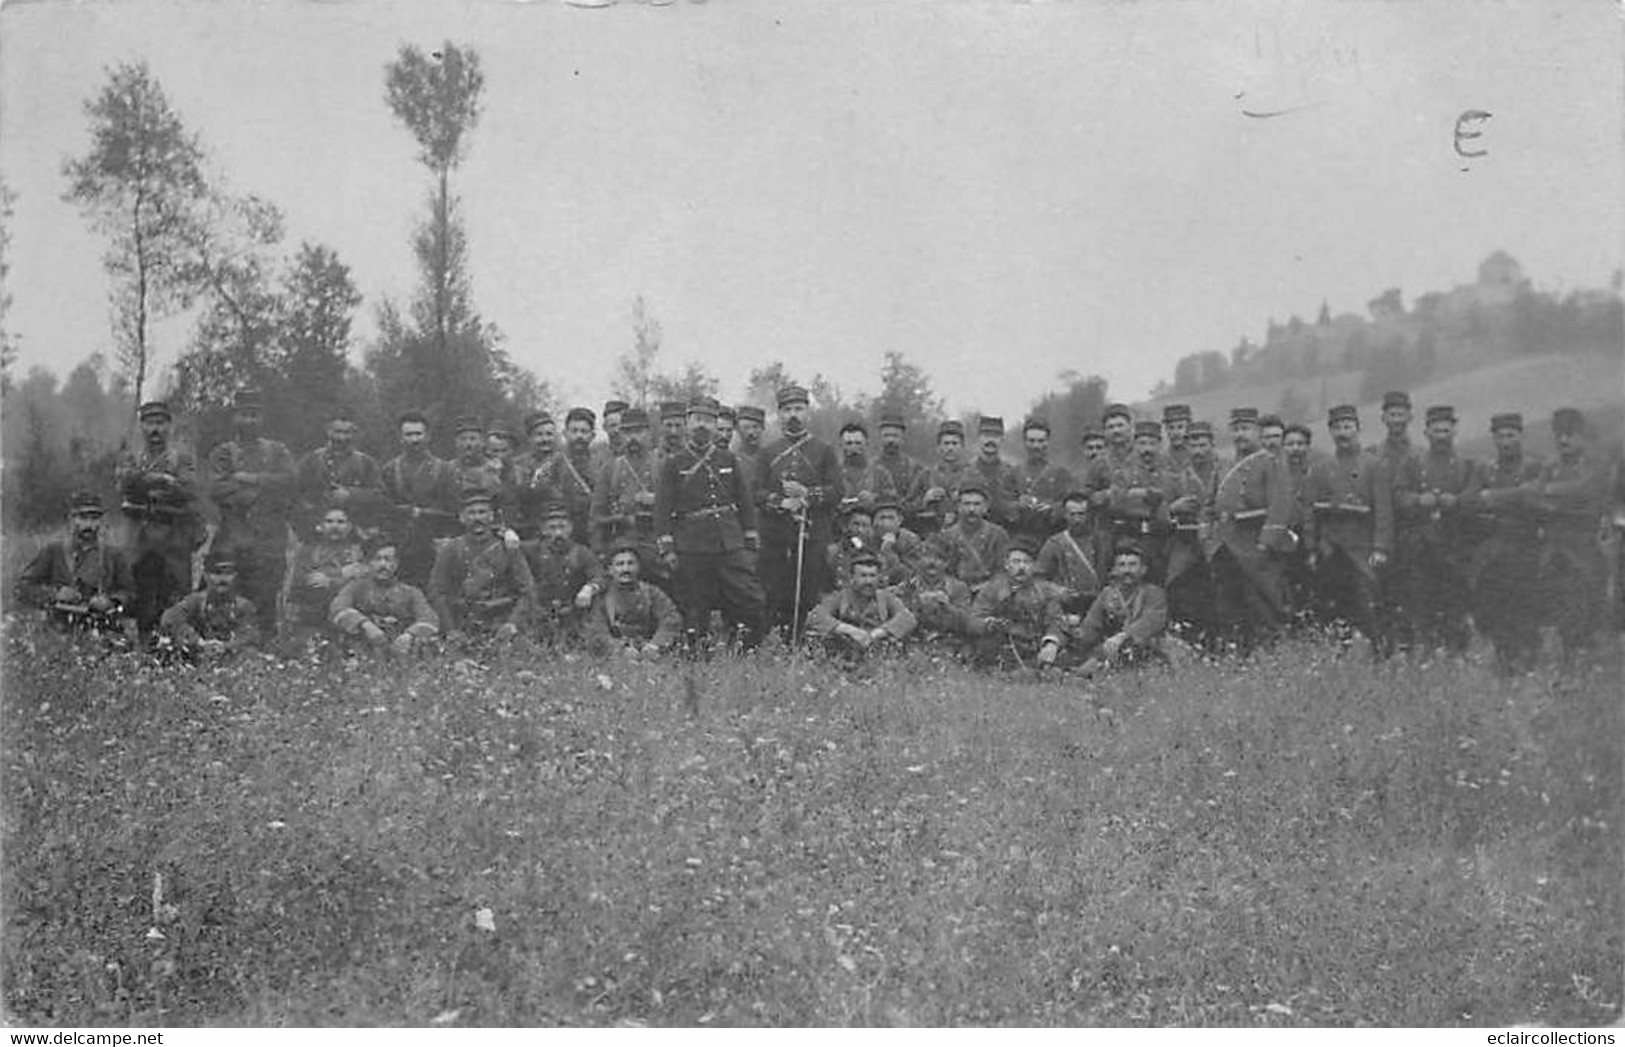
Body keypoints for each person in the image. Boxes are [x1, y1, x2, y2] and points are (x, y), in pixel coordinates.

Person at [653, 396, 767, 648]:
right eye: (696, 420)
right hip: (691, 544)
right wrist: (667, 548)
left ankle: (746, 648)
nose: (702, 426)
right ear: (687, 424)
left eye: (708, 420)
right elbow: (661, 510)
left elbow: (745, 503)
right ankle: (695, 653)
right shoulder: (674, 464)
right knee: (694, 604)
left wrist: (749, 538)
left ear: (716, 425)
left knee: (749, 598)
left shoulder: (728, 460)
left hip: (728, 542)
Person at [207, 388, 297, 637]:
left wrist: (252, 479)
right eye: (244, 415)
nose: (249, 421)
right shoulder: (223, 452)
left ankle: (265, 647)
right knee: (228, 591)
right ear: (234, 418)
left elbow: (290, 481)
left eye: (254, 415)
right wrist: (261, 492)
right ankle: (227, 644)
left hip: (270, 538)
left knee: (267, 593)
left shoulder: (277, 451)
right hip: (233, 536)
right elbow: (217, 489)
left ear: (262, 418)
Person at [1392, 405, 1480, 656]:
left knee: (1455, 601)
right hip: (1421, 546)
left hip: (1455, 545)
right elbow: (1398, 494)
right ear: (1426, 433)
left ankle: (1456, 652)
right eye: (1436, 430)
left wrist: (1458, 501)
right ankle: (1426, 650)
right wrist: (1418, 500)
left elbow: (1475, 495)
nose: (1441, 436)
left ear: (1454, 432)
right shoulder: (1413, 462)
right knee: (1420, 600)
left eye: (1446, 430)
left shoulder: (1466, 465)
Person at [1303, 405, 1393, 648]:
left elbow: (1384, 511)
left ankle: (1380, 653)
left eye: (1348, 427)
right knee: (1333, 605)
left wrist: (1381, 548)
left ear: (1357, 429)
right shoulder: (1322, 468)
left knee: (1369, 602)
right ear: (1330, 432)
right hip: (1331, 548)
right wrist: (1312, 548)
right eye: (1338, 428)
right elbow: (1310, 512)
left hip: (1362, 549)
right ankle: (1339, 654)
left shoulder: (1374, 465)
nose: (1343, 433)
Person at [1206, 407, 1295, 652]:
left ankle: (1271, 657)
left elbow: (1280, 506)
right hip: (1225, 545)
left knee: (1264, 606)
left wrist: (1265, 543)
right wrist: (1208, 542)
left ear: (1257, 431)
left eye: (1245, 429)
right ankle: (1236, 655)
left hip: (1255, 545)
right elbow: (1208, 505)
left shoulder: (1270, 462)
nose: (1240, 435)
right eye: (1235, 429)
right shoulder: (1222, 465)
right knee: (1229, 606)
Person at [1461, 412, 1543, 673]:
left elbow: (1535, 497)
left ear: (1521, 436)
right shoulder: (1485, 468)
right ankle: (1504, 658)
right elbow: (1468, 502)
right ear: (1494, 438)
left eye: (1511, 435)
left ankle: (1529, 658)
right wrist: (1513, 498)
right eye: (1501, 436)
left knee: (1526, 606)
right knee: (1494, 605)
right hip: (1495, 547)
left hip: (1527, 546)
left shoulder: (1534, 466)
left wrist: (1493, 497)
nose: (1506, 441)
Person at [756, 385, 842, 634]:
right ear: (779, 415)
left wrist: (807, 496)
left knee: (809, 588)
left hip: (812, 534)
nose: (793, 415)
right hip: (775, 536)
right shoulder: (768, 452)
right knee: (774, 589)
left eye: (799, 409)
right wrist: (780, 502)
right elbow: (754, 492)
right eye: (787, 410)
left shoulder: (824, 451)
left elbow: (837, 491)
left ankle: (806, 639)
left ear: (808, 413)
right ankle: (774, 641)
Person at [114, 400, 202, 636]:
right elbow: (124, 483)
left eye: (161, 423)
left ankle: (175, 642)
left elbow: (189, 488)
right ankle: (139, 641)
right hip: (138, 534)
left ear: (169, 426)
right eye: (150, 423)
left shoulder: (181, 458)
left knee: (175, 590)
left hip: (172, 535)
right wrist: (162, 480)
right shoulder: (131, 456)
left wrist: (144, 482)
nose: (155, 429)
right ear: (141, 426)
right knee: (134, 588)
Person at [1535, 407, 1610, 665]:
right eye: (1559, 434)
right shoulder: (1550, 464)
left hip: (1584, 545)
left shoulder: (1594, 462)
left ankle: (1587, 651)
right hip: (1554, 546)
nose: (1563, 440)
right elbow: (1534, 498)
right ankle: (1567, 656)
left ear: (1581, 435)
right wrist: (1555, 498)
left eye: (1569, 434)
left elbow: (1586, 491)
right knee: (1557, 602)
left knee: (1587, 596)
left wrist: (1551, 494)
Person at [15, 491, 138, 640]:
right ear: (72, 519)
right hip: (59, 632)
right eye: (83, 518)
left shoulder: (113, 556)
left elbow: (130, 593)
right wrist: (55, 594)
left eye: (94, 518)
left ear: (101, 521)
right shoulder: (53, 551)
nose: (89, 524)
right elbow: (23, 588)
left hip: (102, 632)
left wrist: (112, 601)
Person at [428, 491, 536, 646]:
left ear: (491, 517)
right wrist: (450, 629)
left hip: (500, 622)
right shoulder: (451, 549)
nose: (477, 518)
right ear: (462, 518)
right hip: (463, 623)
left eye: (482, 512)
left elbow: (527, 590)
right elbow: (436, 591)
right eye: (471, 513)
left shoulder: (507, 547)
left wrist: (512, 624)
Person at [381, 410, 458, 589]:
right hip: (399, 545)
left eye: (418, 434)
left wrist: (422, 514)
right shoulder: (390, 469)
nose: (414, 439)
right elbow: (382, 508)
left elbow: (454, 511)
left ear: (428, 436)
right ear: (400, 438)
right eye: (409, 434)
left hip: (434, 544)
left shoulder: (444, 470)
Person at [1368, 390, 1419, 656]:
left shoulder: (1419, 454)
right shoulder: (1374, 454)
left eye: (1401, 414)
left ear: (1410, 417)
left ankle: (1410, 646)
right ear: (1383, 418)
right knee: (1381, 592)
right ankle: (1383, 648)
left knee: (1411, 591)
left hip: (1412, 533)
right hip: (1378, 534)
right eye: (1391, 414)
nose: (1396, 420)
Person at [590, 407, 665, 586]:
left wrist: (657, 501)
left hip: (657, 547)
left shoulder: (663, 465)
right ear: (621, 435)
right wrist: (600, 550)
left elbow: (680, 508)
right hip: (622, 547)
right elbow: (596, 515)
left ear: (648, 433)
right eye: (628, 432)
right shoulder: (610, 469)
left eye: (639, 431)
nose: (633, 438)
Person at [965, 538, 1066, 670]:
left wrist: (1051, 643)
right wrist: (988, 623)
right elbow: (975, 617)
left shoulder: (1045, 591)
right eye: (1016, 562)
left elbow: (1055, 620)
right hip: (1002, 646)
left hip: (1036, 647)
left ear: (1034, 566)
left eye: (1027, 562)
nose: (1022, 567)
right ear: (1006, 565)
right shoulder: (992, 589)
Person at [330, 540, 441, 656]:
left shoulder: (411, 592)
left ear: (396, 564)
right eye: (377, 559)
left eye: (388, 560)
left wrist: (409, 635)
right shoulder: (355, 587)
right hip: (363, 650)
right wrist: (365, 625)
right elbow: (337, 608)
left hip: (402, 651)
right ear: (369, 563)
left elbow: (429, 618)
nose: (383, 565)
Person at [1076, 543, 1169, 676]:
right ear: (1115, 569)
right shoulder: (1107, 594)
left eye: (1132, 565)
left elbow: (1152, 620)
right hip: (1111, 650)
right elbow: (1091, 625)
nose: (1127, 570)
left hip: (1148, 651)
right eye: (1122, 565)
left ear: (1143, 569)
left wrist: (1123, 636)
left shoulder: (1154, 593)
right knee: (1081, 672)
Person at [806, 549, 917, 661]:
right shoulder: (840, 597)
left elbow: (907, 618)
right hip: (843, 656)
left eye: (872, 576)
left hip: (878, 657)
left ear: (878, 577)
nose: (868, 581)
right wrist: (851, 631)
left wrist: (876, 634)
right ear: (852, 578)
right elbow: (815, 616)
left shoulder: (886, 598)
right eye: (863, 576)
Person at [294, 406, 385, 538]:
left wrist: (351, 495)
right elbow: (295, 495)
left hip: (355, 535)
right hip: (317, 534)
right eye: (337, 432)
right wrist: (308, 524)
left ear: (354, 433)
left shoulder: (366, 463)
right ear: (328, 431)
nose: (341, 438)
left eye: (347, 432)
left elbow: (379, 496)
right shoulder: (311, 461)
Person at [582, 541, 683, 657]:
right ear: (610, 569)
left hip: (649, 652)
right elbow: (596, 631)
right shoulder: (603, 596)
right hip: (612, 657)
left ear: (638, 567)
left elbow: (671, 618)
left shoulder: (651, 592)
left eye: (631, 563)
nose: (626, 569)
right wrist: (620, 649)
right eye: (620, 564)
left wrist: (656, 644)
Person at [521, 503, 603, 646]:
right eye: (552, 528)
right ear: (543, 530)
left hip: (572, 616)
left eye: (562, 527)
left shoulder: (581, 553)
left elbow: (600, 576)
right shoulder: (533, 549)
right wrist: (507, 534)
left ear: (570, 528)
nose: (558, 533)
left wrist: (590, 588)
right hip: (541, 616)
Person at [158, 550, 261, 660]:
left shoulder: (244, 606)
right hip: (197, 656)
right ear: (206, 576)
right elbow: (169, 617)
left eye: (228, 574)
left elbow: (251, 636)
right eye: (216, 573)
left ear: (235, 576)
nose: (222, 579)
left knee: (251, 654)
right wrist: (198, 642)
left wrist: (225, 646)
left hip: (231, 658)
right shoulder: (196, 601)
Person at [283, 505, 367, 639]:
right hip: (312, 613)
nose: (335, 526)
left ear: (349, 526)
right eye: (329, 521)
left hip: (348, 613)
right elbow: (302, 579)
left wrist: (331, 580)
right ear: (320, 525)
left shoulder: (359, 551)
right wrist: (342, 573)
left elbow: (361, 579)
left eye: (340, 522)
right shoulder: (307, 550)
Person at [891, 539, 973, 653]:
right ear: (918, 561)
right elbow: (895, 623)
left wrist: (947, 607)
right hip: (913, 644)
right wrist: (917, 604)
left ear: (947, 563)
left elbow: (967, 624)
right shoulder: (906, 588)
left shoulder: (959, 588)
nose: (932, 563)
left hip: (950, 644)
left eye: (939, 558)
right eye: (927, 557)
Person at [1036, 491, 1103, 627]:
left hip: (1099, 604)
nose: (1077, 520)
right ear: (1065, 515)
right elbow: (1039, 578)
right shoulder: (1056, 543)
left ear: (1089, 515)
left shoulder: (1103, 541)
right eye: (1072, 514)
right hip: (1068, 604)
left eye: (1081, 514)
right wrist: (1057, 591)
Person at [535, 406, 599, 548]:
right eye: (574, 431)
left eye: (584, 431)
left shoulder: (601, 464)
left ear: (592, 436)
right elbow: (537, 489)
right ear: (565, 433)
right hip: (560, 529)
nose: (579, 436)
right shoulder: (551, 463)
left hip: (590, 530)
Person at [936, 480, 1010, 591]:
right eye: (967, 504)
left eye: (977, 504)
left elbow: (1003, 569)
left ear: (985, 507)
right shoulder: (947, 536)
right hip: (956, 591)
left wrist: (989, 587)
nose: (971, 509)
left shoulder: (998, 534)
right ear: (958, 506)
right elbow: (942, 571)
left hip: (990, 590)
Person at [906, 420, 971, 537]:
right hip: (931, 535)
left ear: (962, 447)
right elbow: (906, 509)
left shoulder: (972, 475)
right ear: (938, 447)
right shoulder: (925, 475)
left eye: (955, 443)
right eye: (946, 443)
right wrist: (924, 500)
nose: (950, 448)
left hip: (964, 536)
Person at [1013, 417, 1072, 545]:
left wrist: (1052, 508)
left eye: (1041, 441)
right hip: (1020, 539)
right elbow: (1003, 504)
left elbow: (1070, 505)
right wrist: (1019, 504)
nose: (1036, 446)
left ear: (1048, 442)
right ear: (1024, 442)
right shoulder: (1014, 473)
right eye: (1031, 441)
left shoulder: (1061, 474)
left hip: (1052, 538)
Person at [969, 416, 1022, 529]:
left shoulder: (1013, 473)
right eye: (986, 435)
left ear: (1002, 438)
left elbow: (1019, 510)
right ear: (978, 438)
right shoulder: (966, 471)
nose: (990, 440)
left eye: (995, 436)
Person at [835, 420, 898, 510]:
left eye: (858, 443)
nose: (854, 448)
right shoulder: (833, 473)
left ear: (866, 443)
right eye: (849, 443)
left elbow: (892, 501)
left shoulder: (880, 473)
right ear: (841, 445)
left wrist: (874, 499)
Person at [875, 410, 926, 508]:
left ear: (903, 438)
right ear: (879, 438)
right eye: (886, 435)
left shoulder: (916, 469)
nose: (891, 440)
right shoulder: (870, 468)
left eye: (895, 436)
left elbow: (922, 498)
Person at [1162, 404, 1193, 472]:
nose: (1175, 433)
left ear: (1189, 427)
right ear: (1166, 430)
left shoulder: (1196, 454)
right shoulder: (1163, 457)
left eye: (1180, 427)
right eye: (1171, 428)